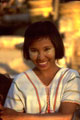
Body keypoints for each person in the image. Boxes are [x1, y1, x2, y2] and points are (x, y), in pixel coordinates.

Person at [1, 20, 80, 120]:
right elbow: (10, 117)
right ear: (27, 51)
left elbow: (66, 116)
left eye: (47, 49)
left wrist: (20, 116)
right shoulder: (20, 81)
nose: (41, 57)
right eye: (34, 50)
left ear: (56, 47)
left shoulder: (70, 77)